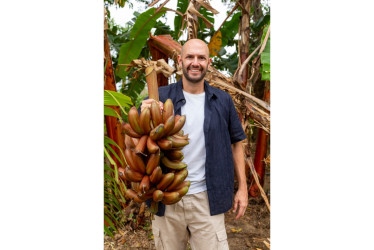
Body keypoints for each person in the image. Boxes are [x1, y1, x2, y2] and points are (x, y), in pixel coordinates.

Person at [141, 39, 248, 250]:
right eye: (190, 57)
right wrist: (145, 112)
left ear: (209, 62)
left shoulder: (223, 100)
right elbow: (142, 145)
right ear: (180, 60)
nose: (195, 62)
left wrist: (243, 188)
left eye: (201, 58)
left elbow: (237, 143)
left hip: (207, 198)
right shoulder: (160, 97)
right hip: (167, 196)